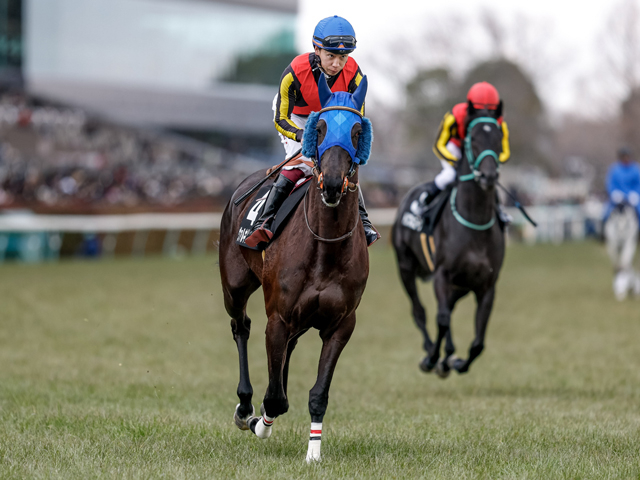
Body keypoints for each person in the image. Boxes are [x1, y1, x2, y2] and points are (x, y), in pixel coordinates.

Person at [244, 15, 380, 248]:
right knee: (302, 160)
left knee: (343, 162)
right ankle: (265, 222)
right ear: (316, 49)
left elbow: (356, 119)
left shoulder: (354, 73)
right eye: (331, 56)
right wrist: (302, 136)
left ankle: (364, 222)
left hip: (331, 117)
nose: (337, 64)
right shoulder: (294, 71)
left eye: (343, 57)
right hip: (297, 117)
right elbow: (281, 118)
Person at [420, 82, 511, 219]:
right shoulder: (454, 116)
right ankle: (425, 201)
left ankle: (499, 210)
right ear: (470, 108)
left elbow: (506, 152)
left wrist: (492, 161)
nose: (485, 115)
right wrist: (456, 162)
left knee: (490, 175)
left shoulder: (499, 123)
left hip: (478, 151)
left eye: (490, 111)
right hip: (455, 148)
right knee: (449, 174)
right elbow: (439, 145)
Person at [603, 146, 640, 222]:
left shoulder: (635, 169)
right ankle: (603, 230)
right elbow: (610, 184)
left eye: (627, 156)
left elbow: (638, 184)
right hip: (618, 197)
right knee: (606, 213)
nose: (626, 158)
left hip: (632, 197)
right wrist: (614, 193)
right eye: (624, 156)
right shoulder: (614, 169)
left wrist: (636, 193)